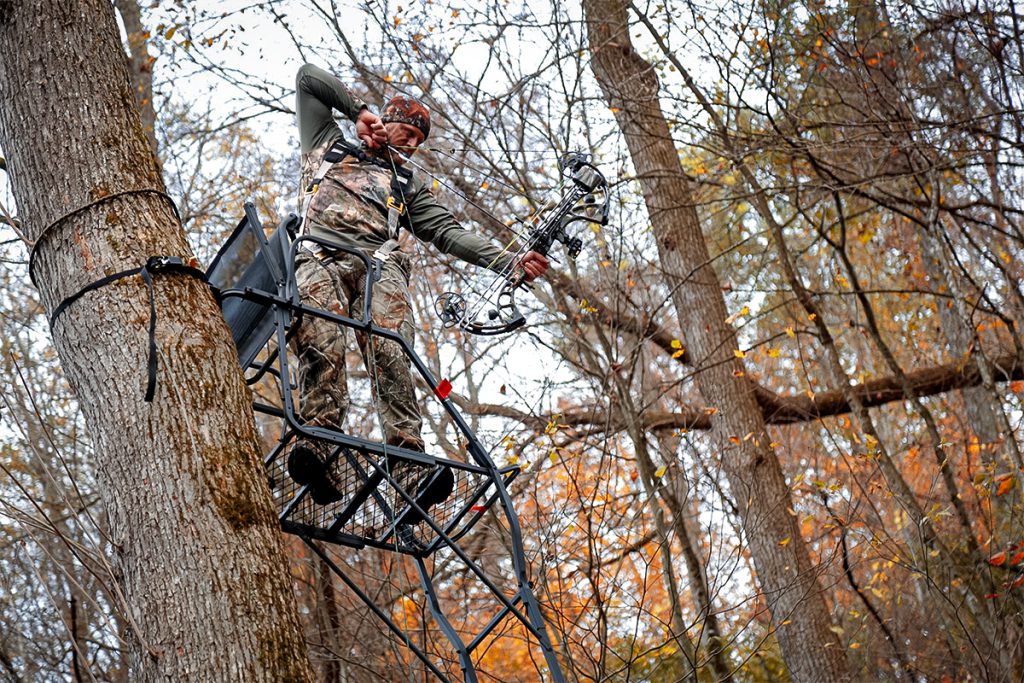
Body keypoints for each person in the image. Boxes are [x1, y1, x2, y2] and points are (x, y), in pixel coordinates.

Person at [287, 63, 549, 524]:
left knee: (391, 349)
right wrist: (359, 110)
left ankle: (409, 471)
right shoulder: (327, 141)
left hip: (377, 266)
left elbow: (450, 233)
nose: (408, 143)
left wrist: (509, 260)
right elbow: (308, 78)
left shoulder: (406, 185)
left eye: (416, 141)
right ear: (383, 124)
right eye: (403, 132)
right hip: (320, 255)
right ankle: (317, 447)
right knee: (321, 334)